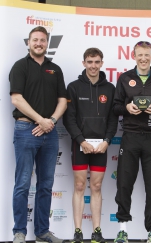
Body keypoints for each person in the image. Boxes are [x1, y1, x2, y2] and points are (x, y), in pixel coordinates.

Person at [112, 41, 151, 243]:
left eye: (146, 54)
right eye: (139, 55)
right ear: (134, 55)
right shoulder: (125, 78)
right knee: (124, 184)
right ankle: (122, 229)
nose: (143, 58)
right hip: (129, 137)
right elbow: (114, 107)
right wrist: (126, 108)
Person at [9, 26, 67, 243]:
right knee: (23, 183)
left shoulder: (55, 69)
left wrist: (50, 121)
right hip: (26, 130)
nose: (39, 43)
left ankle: (42, 231)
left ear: (47, 43)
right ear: (29, 43)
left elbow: (63, 100)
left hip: (49, 133)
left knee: (46, 184)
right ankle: (19, 232)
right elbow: (16, 99)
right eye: (35, 40)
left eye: (43, 40)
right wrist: (40, 120)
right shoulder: (20, 66)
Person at [63, 48, 118, 243]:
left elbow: (113, 119)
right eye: (89, 62)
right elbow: (69, 119)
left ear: (102, 63)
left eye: (96, 62)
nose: (93, 66)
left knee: (96, 186)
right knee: (79, 185)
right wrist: (81, 141)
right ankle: (78, 231)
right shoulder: (74, 87)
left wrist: (107, 141)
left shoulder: (110, 88)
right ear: (84, 63)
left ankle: (97, 231)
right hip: (80, 145)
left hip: (101, 147)